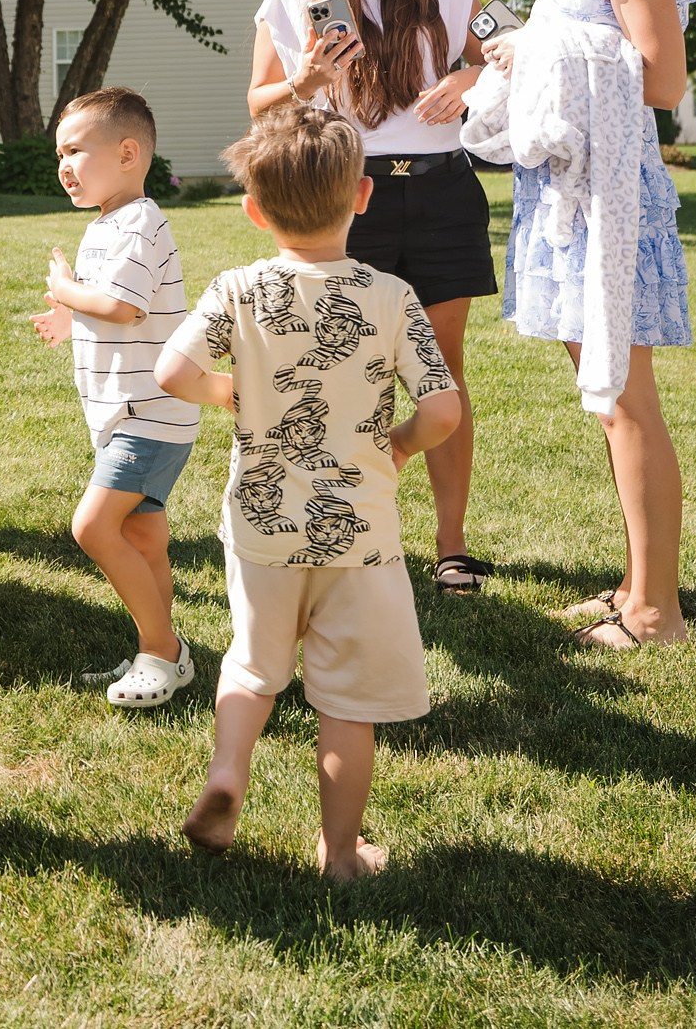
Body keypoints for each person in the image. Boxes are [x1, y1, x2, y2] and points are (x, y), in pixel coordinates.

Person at [155, 104, 461, 875]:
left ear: (255, 211)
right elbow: (444, 409)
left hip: (261, 525)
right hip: (359, 533)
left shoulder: (238, 287)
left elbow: (172, 372)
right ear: (363, 195)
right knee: (346, 700)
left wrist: (230, 392)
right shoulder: (392, 296)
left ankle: (229, 772)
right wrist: (401, 444)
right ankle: (341, 849)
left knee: (254, 666)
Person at [478, 0, 696, 650]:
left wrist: (534, 48)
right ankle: (634, 585)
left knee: (625, 399)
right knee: (606, 397)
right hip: (570, 193)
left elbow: (660, 80)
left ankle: (657, 613)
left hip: (611, 196)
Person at [247, 0, 499, 594]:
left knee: (440, 373)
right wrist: (303, 79)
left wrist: (465, 77)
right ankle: (347, 529)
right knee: (346, 374)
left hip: (443, 191)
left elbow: (512, 44)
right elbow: (257, 104)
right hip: (347, 196)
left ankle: (450, 543)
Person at [27, 87, 198, 707]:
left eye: (75, 150)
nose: (63, 165)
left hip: (149, 414)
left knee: (94, 527)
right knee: (145, 539)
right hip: (120, 412)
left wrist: (66, 292)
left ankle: (164, 652)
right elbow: (117, 306)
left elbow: (122, 305)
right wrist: (71, 318)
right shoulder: (105, 225)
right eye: (59, 155)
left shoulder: (141, 221)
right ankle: (162, 652)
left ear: (128, 153)